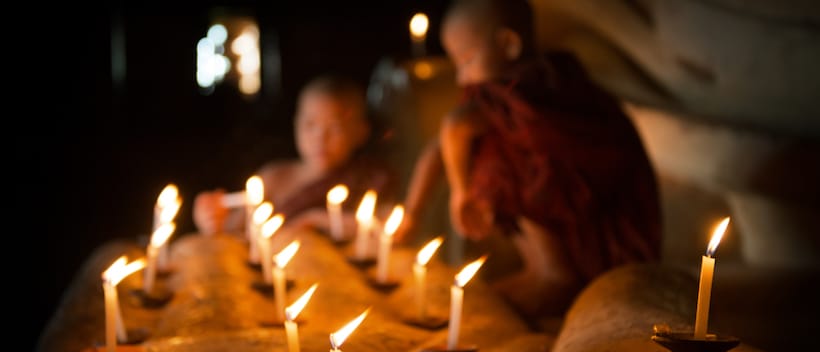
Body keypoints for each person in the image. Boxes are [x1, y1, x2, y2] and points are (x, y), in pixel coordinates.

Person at [395, 0, 662, 317]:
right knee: (488, 148)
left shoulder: (524, 91)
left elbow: (455, 127)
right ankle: (540, 270)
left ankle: (553, 273)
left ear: (509, 44)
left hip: (576, 199)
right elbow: (439, 146)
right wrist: (412, 212)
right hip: (591, 194)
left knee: (499, 156)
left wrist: (460, 193)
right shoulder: (545, 83)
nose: (460, 79)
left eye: (466, 61)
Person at [193, 74, 397, 238]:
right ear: (295, 126)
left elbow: (385, 227)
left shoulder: (369, 179)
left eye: (335, 128)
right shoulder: (275, 177)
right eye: (310, 125)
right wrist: (212, 220)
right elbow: (233, 233)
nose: (320, 139)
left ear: (361, 132)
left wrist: (315, 220)